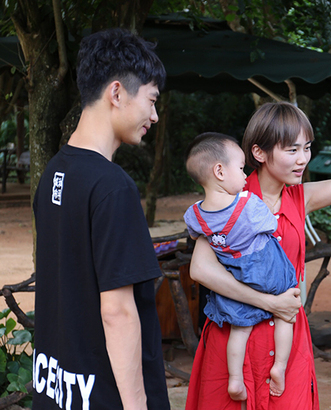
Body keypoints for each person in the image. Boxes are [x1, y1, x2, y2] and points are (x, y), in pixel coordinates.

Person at [185, 101, 331, 409]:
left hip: (286, 340)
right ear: (259, 153)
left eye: (306, 148)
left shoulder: (300, 197)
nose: (303, 159)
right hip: (235, 337)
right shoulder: (230, 199)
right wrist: (269, 302)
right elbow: (200, 270)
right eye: (292, 150)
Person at [32, 28, 170, 410]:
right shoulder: (113, 188)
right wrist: (137, 404)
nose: (155, 116)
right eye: (151, 100)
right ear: (116, 93)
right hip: (105, 396)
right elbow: (118, 312)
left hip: (56, 388)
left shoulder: (54, 173)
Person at [183, 132, 298, 401]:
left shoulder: (195, 214)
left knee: (240, 326)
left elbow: (194, 235)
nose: (246, 175)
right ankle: (279, 367)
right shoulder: (247, 203)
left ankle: (235, 379)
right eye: (241, 168)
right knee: (285, 313)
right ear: (220, 171)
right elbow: (270, 226)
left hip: (235, 274)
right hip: (267, 270)